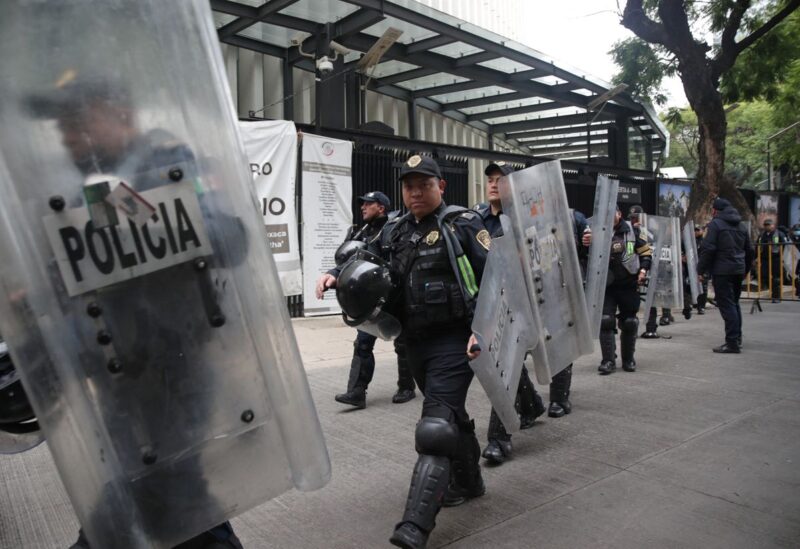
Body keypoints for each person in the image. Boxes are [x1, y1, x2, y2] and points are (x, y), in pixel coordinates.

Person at [28, 74, 243, 549]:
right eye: (60, 123)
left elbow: (227, 237)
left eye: (78, 119)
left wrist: (136, 215)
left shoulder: (164, 161)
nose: (65, 133)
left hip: (172, 372)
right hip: (118, 376)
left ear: (122, 115)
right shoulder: (78, 187)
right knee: (163, 499)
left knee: (162, 497)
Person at [318, 155, 490, 549]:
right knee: (448, 414)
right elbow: (365, 257)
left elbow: (497, 280)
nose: (415, 191)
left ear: (440, 187)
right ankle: (469, 480)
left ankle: (415, 525)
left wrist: (484, 329)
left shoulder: (462, 224)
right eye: (408, 185)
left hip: (453, 340)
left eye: (423, 184)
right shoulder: (393, 228)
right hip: (411, 341)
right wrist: (334, 274)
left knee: (434, 429)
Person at [472, 162, 545, 465]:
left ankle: (499, 439)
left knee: (503, 367)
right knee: (510, 365)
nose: (492, 184)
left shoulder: (526, 220)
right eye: (490, 179)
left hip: (518, 301)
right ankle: (530, 405)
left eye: (500, 180)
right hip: (486, 302)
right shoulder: (475, 218)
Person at [323, 191, 416, 409]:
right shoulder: (359, 232)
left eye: (368, 204)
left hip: (393, 293)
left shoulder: (395, 228)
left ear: (381, 207)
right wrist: (333, 274)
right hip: (369, 297)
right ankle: (356, 392)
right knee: (363, 342)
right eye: (362, 204)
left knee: (402, 342)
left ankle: (406, 386)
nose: (363, 207)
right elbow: (347, 261)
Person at [598, 205, 652, 375]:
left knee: (629, 322)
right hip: (606, 285)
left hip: (628, 283)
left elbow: (646, 254)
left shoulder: (633, 231)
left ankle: (628, 359)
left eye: (612, 212)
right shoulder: (595, 230)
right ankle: (608, 360)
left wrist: (643, 270)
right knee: (606, 320)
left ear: (619, 214)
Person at [698, 198, 754, 353]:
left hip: (722, 271)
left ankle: (732, 343)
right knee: (734, 304)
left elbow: (708, 249)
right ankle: (737, 338)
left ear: (715, 211)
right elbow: (750, 250)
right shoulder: (741, 226)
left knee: (727, 305)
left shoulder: (715, 225)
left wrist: (700, 270)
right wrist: (745, 270)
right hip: (738, 270)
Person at [757, 219, 790, 303]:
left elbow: (785, 246)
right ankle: (772, 293)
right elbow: (757, 246)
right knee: (764, 276)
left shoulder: (779, 234)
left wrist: (783, 257)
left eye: (768, 224)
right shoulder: (762, 235)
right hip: (764, 259)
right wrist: (756, 257)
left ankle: (777, 296)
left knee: (776, 278)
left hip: (776, 258)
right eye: (765, 225)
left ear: (773, 225)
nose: (767, 226)